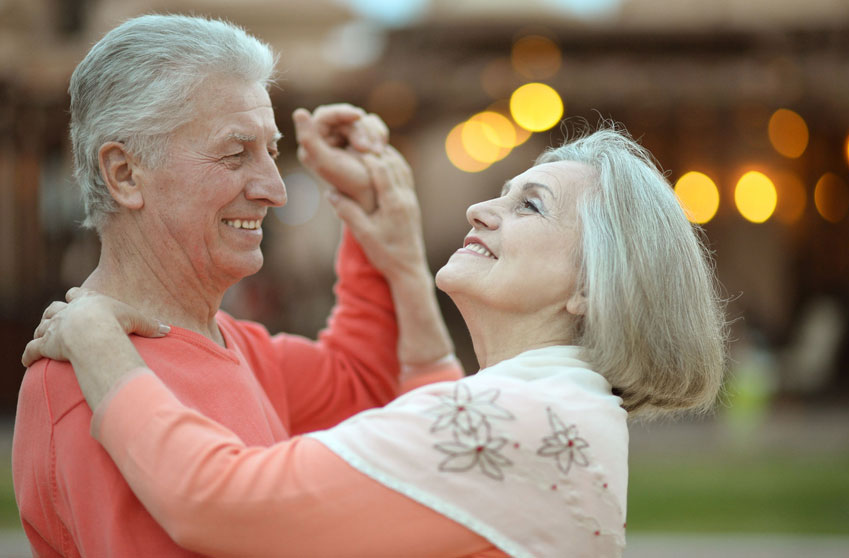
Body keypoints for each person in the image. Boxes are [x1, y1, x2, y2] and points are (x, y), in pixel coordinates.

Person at [25, 126, 728, 557]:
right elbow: (435, 430)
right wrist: (392, 251)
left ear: (590, 288)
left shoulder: (512, 424)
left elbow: (214, 498)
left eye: (529, 206)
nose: (483, 207)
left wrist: (98, 341)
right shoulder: (555, 410)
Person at [12, 14, 459, 557]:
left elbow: (368, 387)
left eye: (270, 151)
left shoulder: (231, 341)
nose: (276, 190)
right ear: (125, 174)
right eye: (235, 153)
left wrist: (375, 217)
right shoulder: (82, 382)